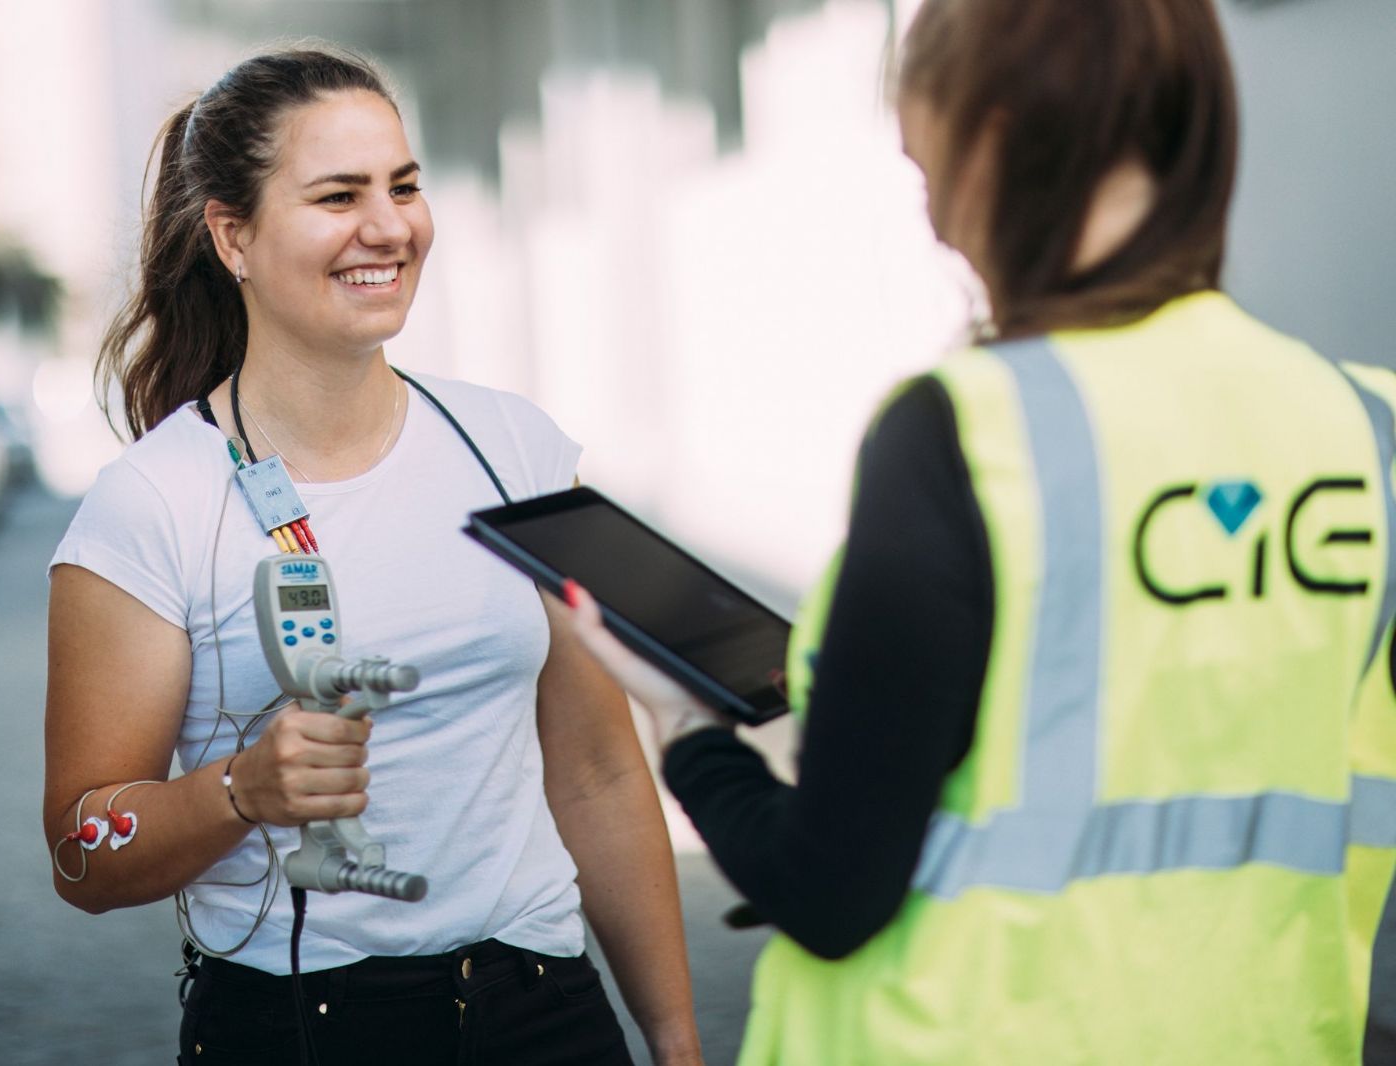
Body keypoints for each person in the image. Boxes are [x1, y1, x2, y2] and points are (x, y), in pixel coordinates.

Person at [564, 0, 1396, 1062]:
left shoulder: (969, 430)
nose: (938, 225)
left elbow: (831, 888)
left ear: (996, 139)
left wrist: (689, 735)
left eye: (927, 172)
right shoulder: (1362, 428)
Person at [42, 47, 703, 1066]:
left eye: (403, 186)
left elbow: (602, 771)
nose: (389, 226)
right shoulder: (151, 505)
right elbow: (81, 853)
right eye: (338, 195)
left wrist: (672, 1036)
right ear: (234, 237)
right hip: (300, 1029)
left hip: (542, 1008)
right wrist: (238, 792)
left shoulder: (515, 446)